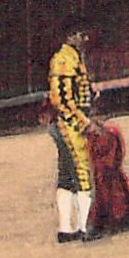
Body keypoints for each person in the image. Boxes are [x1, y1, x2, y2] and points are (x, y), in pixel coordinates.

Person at [47, 25, 102, 243]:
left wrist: (90, 93)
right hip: (69, 125)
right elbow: (62, 101)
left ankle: (66, 228)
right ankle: (83, 227)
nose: (86, 38)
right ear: (70, 36)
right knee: (82, 172)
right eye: (81, 34)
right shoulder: (64, 60)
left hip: (67, 123)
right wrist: (86, 124)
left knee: (67, 175)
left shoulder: (72, 57)